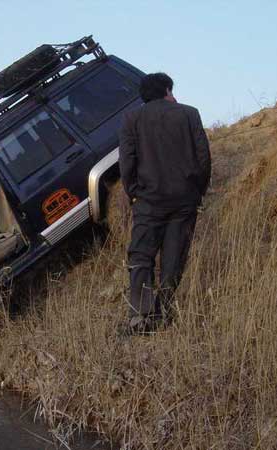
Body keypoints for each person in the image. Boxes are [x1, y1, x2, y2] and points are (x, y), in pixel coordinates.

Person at [118, 72, 211, 333]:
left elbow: (127, 163)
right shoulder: (189, 114)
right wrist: (197, 192)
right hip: (184, 200)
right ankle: (164, 313)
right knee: (173, 259)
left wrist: (135, 192)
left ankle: (141, 317)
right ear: (167, 90)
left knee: (141, 256)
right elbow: (204, 158)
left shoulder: (131, 119)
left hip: (148, 201)